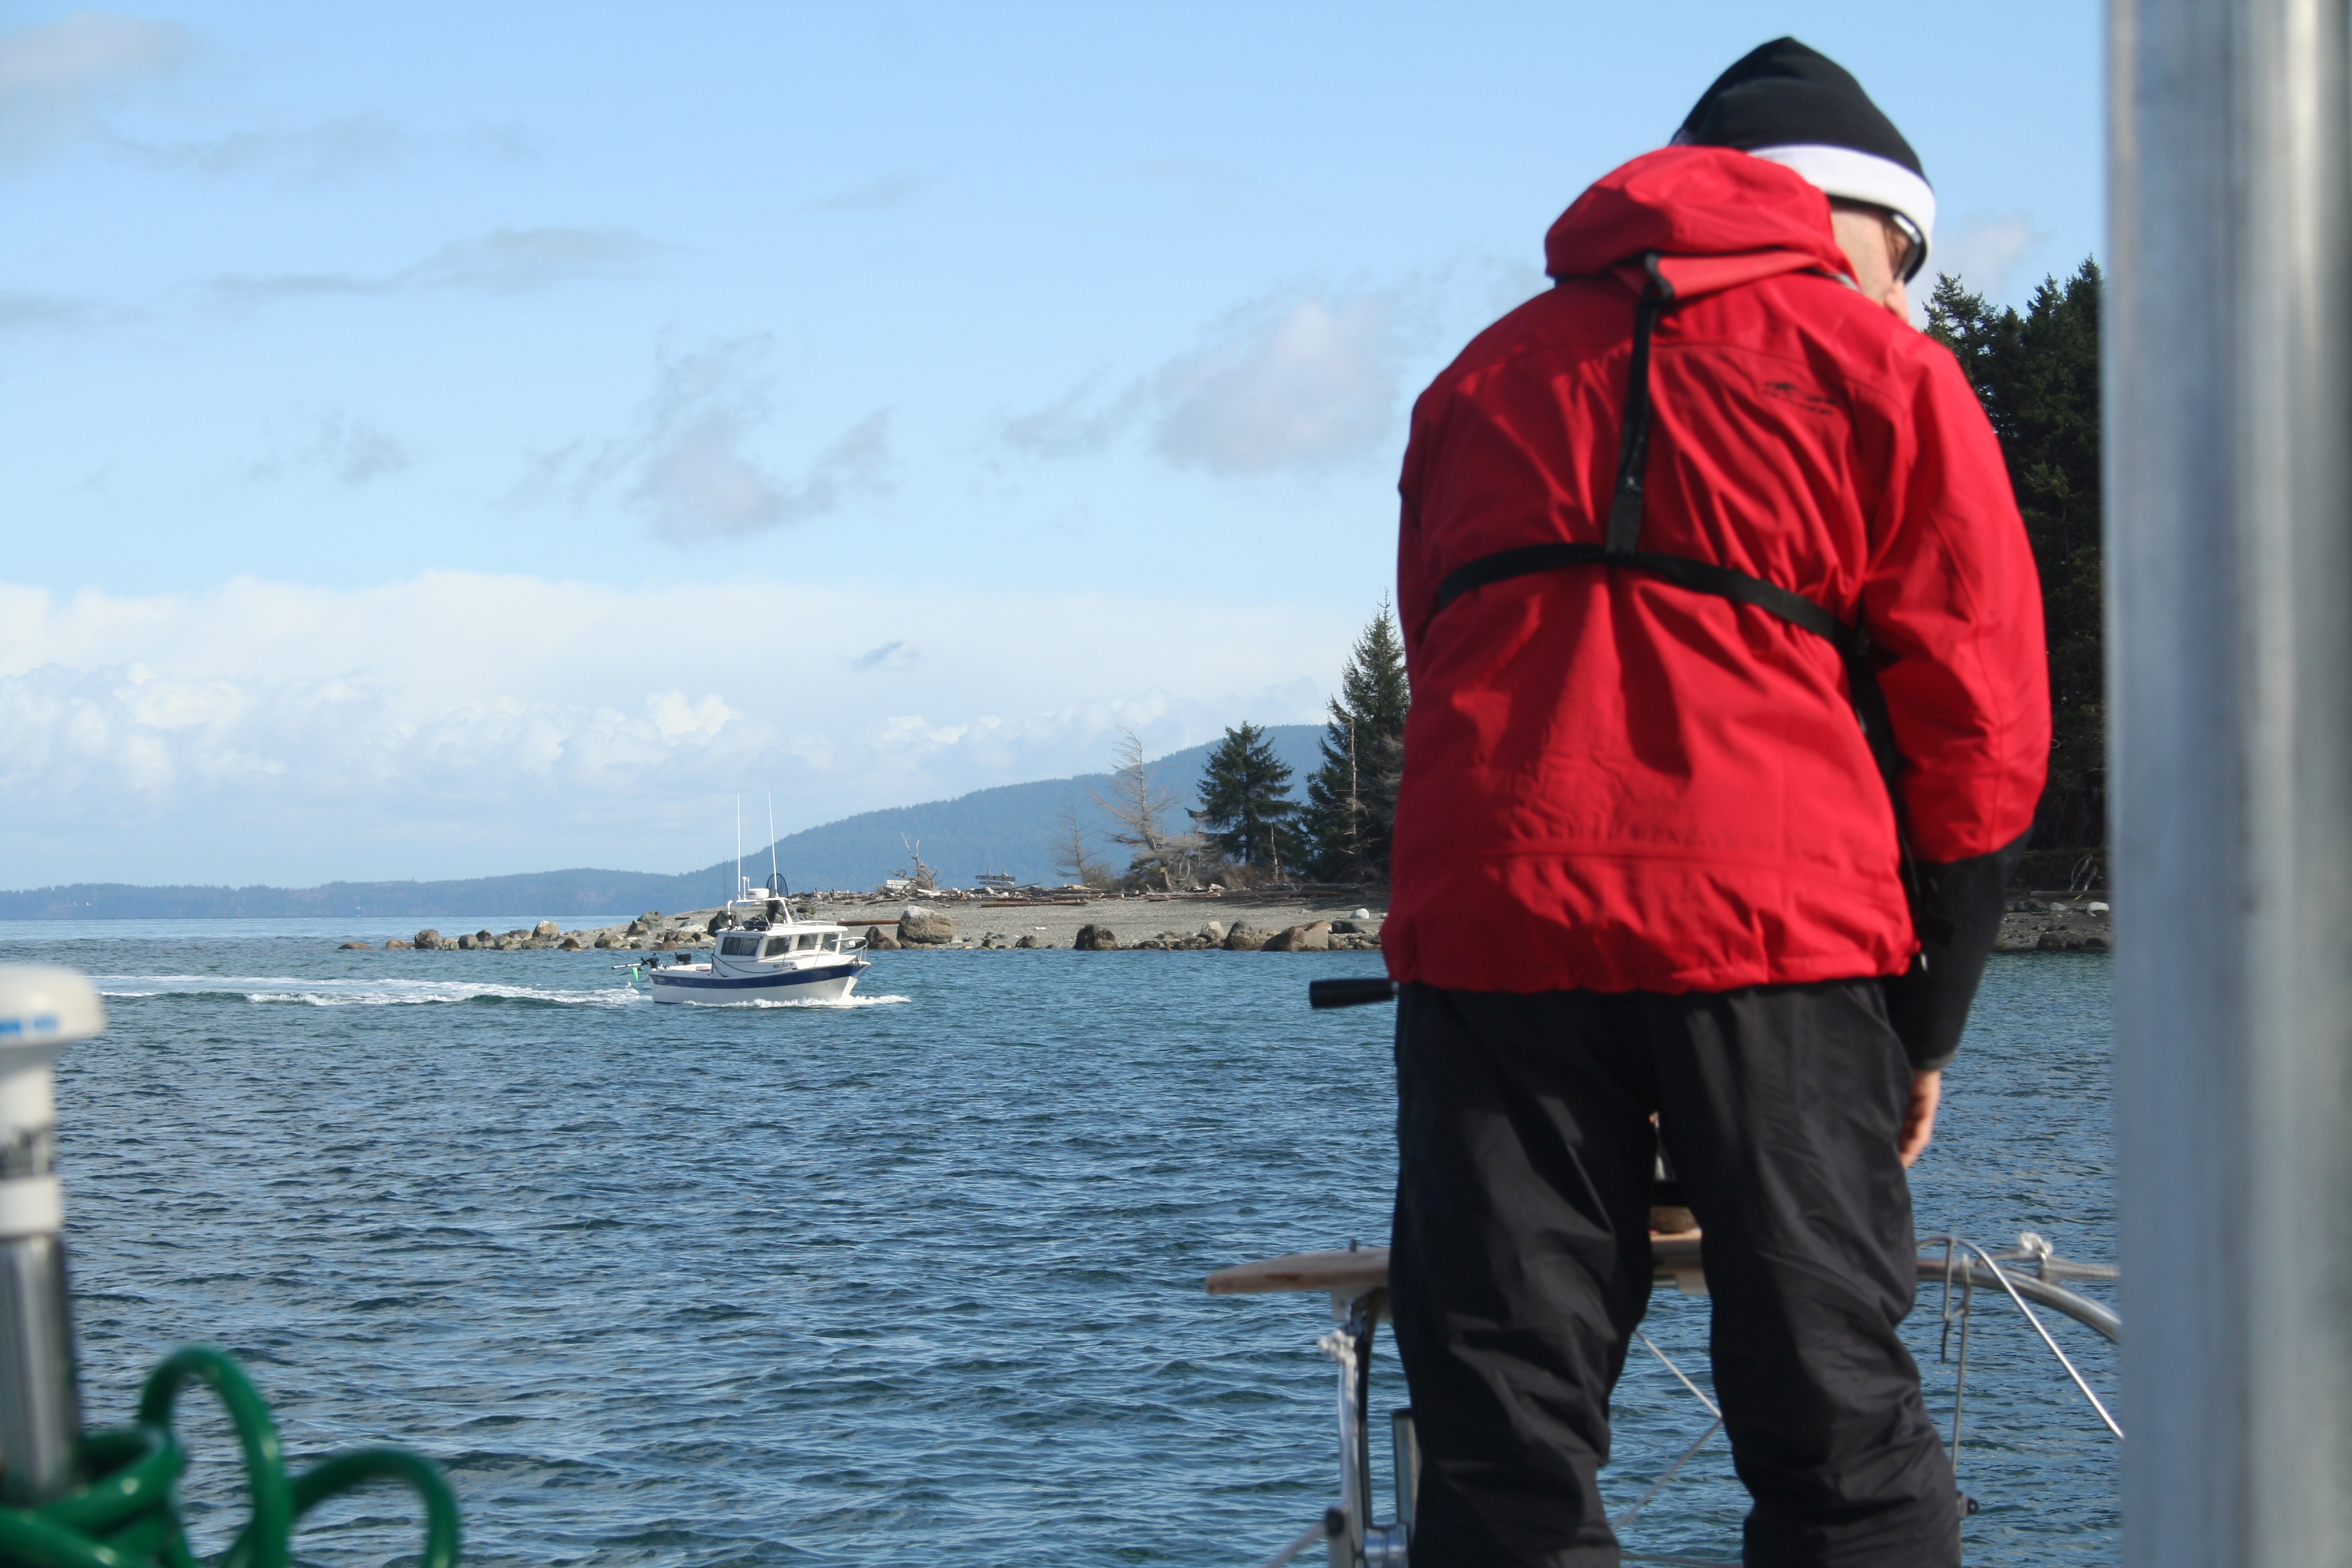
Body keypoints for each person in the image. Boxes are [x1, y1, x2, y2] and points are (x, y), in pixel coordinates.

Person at [1382, 38, 2049, 1568]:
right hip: (1776, 933)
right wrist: (1927, 1023)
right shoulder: (1885, 369)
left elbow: (1441, 643)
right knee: (1835, 1423)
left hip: (1494, 926)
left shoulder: (1475, 376)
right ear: (1848, 219)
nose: (1905, 293)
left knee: (1499, 1435)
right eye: (1906, 255)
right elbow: (1982, 716)